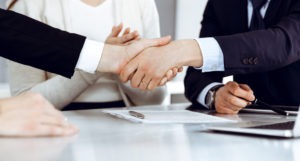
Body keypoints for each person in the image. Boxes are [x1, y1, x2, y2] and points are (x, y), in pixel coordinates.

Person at [0, 1, 171, 136]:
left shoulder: (141, 4)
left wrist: (124, 65)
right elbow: (24, 102)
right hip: (58, 126)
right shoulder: (27, 6)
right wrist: (103, 63)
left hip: (133, 129)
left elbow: (156, 97)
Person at [120, 0, 300, 114]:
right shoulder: (222, 3)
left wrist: (184, 50)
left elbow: (284, 43)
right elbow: (197, 75)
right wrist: (216, 95)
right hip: (245, 126)